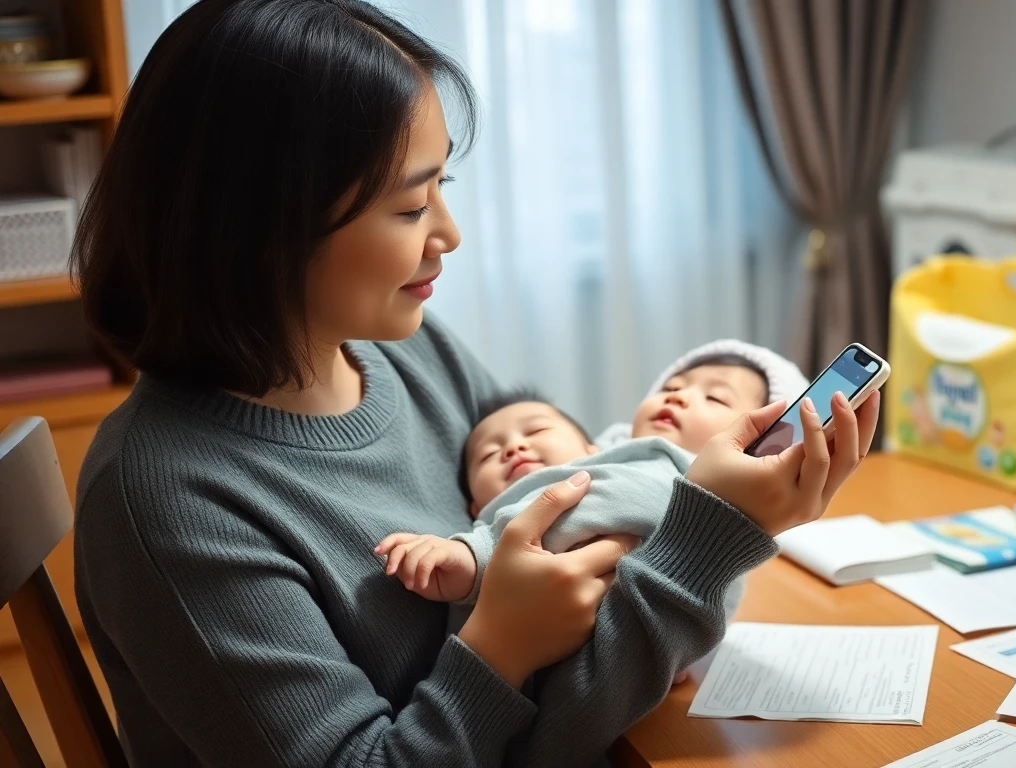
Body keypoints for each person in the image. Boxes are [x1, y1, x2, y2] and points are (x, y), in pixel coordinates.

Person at [69, 1, 880, 767]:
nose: (447, 236)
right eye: (408, 207)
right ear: (261, 229)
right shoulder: (171, 499)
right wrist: (503, 643)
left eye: (440, 190)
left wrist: (671, 504)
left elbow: (559, 699)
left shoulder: (397, 354)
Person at [377, 350, 792, 610]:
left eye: (714, 397)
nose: (676, 396)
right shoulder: (638, 460)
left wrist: (478, 555)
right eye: (671, 386)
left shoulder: (665, 468)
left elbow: (598, 502)